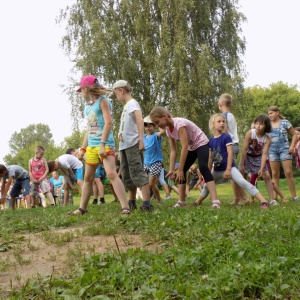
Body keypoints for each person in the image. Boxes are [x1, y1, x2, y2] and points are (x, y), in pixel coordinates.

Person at [69, 75, 130, 215]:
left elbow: (109, 123)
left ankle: (125, 207)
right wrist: (83, 149)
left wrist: (102, 144)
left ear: (86, 88)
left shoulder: (103, 101)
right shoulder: (88, 108)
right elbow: (89, 130)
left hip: (105, 144)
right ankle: (82, 208)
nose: (81, 93)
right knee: (88, 178)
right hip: (91, 147)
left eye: (81, 90)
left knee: (111, 174)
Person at [192, 113, 270, 209]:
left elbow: (230, 153)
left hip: (230, 168)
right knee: (207, 186)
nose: (222, 123)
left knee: (242, 182)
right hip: (217, 170)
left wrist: (228, 169)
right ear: (213, 124)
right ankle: (198, 201)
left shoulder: (226, 137)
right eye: (219, 121)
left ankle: (263, 201)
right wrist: (207, 173)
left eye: (223, 122)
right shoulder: (210, 141)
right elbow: (211, 157)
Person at [149, 106, 221, 209]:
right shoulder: (169, 130)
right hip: (192, 147)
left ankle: (216, 202)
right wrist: (171, 169)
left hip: (201, 143)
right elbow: (173, 150)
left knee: (204, 168)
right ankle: (181, 202)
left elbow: (184, 146)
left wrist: (180, 169)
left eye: (157, 122)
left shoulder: (179, 124)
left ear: (164, 116)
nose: (157, 126)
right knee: (180, 172)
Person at [113, 79, 152, 212]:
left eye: (116, 94)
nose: (116, 97)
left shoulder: (132, 104)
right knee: (127, 175)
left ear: (121, 91)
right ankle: (132, 201)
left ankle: (147, 203)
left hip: (132, 144)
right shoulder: (126, 106)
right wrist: (119, 149)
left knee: (137, 173)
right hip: (124, 147)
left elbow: (140, 119)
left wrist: (141, 140)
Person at [239, 114, 287, 205]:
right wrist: (242, 163)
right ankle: (243, 198)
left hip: (258, 157)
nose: (258, 126)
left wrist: (261, 168)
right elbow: (244, 149)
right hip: (247, 156)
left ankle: (272, 200)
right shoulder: (250, 133)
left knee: (267, 176)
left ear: (266, 126)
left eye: (261, 124)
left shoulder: (267, 138)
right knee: (241, 177)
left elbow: (264, 154)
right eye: (256, 123)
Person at [218, 93, 249, 205]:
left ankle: (244, 197)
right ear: (231, 104)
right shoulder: (230, 115)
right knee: (232, 173)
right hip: (234, 144)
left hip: (229, 146)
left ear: (219, 104)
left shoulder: (223, 117)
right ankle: (237, 198)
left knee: (234, 174)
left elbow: (224, 132)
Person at [267, 106, 298, 201]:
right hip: (272, 150)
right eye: (268, 114)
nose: (269, 115)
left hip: (285, 149)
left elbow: (294, 135)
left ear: (277, 112)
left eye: (271, 113)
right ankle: (275, 198)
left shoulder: (285, 122)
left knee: (288, 173)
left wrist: (292, 146)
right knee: (275, 174)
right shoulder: (268, 124)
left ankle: (294, 197)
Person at [143, 115, 166, 203]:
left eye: (150, 126)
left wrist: (159, 122)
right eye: (146, 126)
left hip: (156, 162)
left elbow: (162, 131)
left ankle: (156, 199)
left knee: (151, 183)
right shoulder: (143, 137)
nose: (148, 128)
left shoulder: (156, 135)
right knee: (145, 183)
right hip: (146, 163)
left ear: (154, 126)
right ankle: (157, 199)